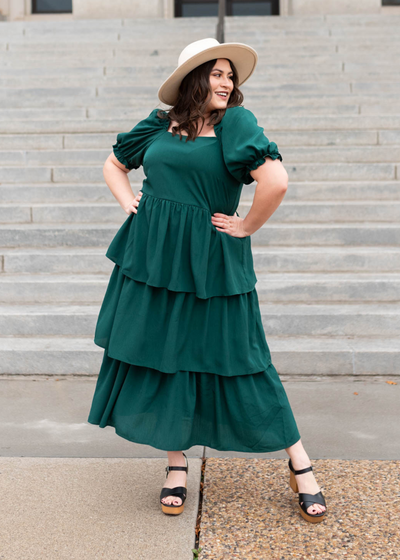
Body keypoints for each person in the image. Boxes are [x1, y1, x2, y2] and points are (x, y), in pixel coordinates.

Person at [87, 38, 327, 523]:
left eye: (230, 75)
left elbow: (275, 181)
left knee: (244, 357)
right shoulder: (159, 124)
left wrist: (246, 226)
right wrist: (128, 202)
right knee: (164, 355)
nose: (227, 82)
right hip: (152, 260)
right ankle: (176, 466)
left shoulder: (235, 122)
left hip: (213, 261)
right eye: (217, 73)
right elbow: (115, 163)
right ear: (193, 78)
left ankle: (300, 464)